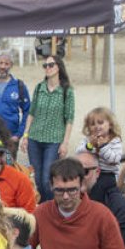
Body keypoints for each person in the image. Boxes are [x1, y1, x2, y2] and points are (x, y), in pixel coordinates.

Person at [20, 56, 74, 202]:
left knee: (46, 178)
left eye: (50, 65)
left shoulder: (66, 91)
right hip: (35, 138)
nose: (47, 68)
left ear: (58, 67)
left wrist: (65, 142)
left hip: (54, 140)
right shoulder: (39, 88)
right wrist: (25, 135)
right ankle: (43, 207)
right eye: (45, 65)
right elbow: (31, 113)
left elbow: (69, 118)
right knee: (36, 177)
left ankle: (51, 206)